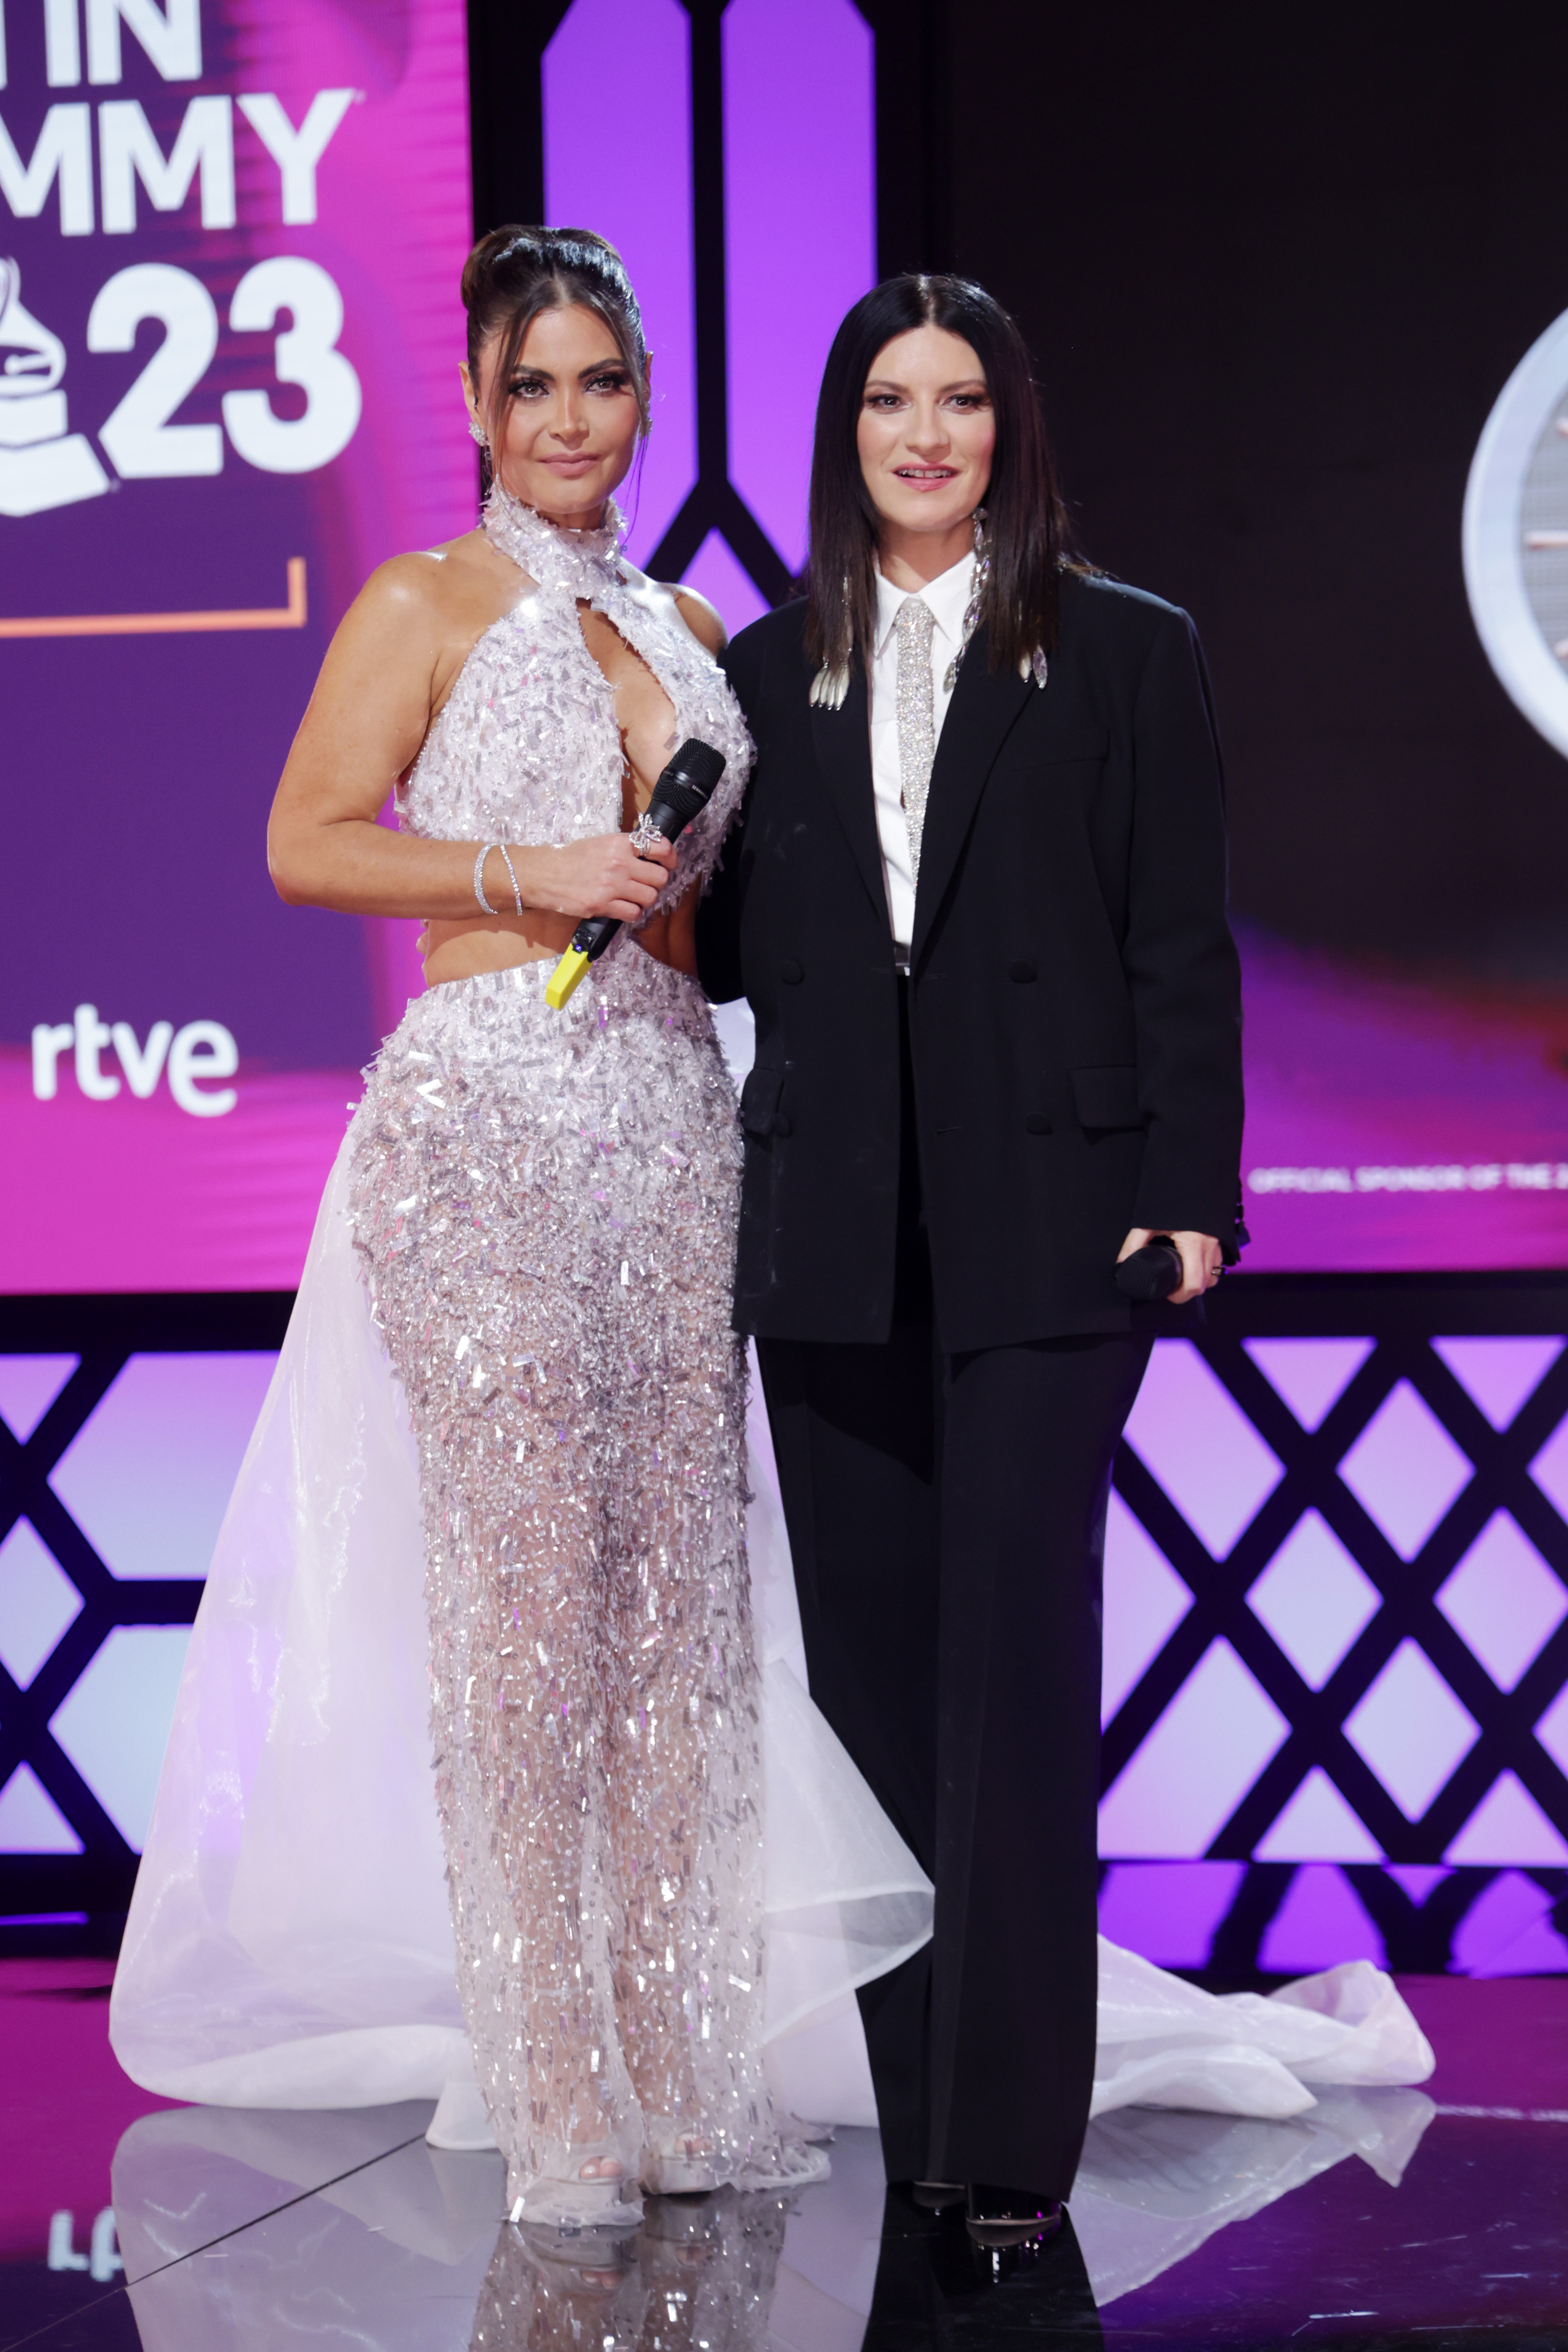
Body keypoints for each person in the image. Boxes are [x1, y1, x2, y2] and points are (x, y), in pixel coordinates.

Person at [696, 272, 1247, 2251]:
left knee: (1013, 1672)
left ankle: (1007, 2135)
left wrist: (1188, 1186)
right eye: (884, 406)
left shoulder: (1119, 650)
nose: (923, 438)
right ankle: (912, 2106)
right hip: (834, 1227)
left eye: (959, 403)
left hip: (1050, 1228)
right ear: (842, 439)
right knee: (871, 1690)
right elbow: (729, 950)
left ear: (1010, 426)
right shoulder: (761, 675)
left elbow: (1178, 936)